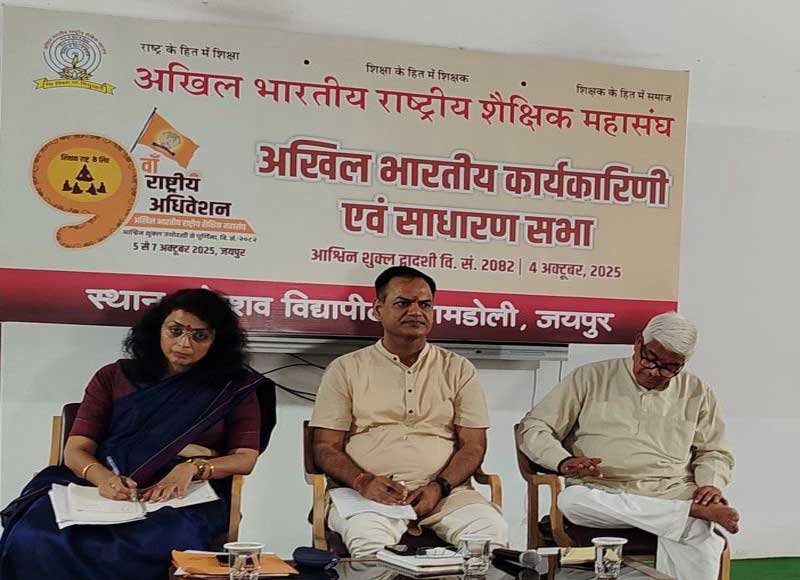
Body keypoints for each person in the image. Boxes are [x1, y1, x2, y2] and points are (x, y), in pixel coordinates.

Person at [0, 288, 276, 580]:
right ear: (157, 329)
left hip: (182, 495)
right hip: (103, 483)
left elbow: (245, 458)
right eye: (175, 331)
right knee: (33, 533)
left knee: (158, 542)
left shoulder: (232, 387)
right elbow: (76, 449)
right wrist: (103, 479)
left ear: (217, 340)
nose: (184, 343)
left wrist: (192, 467)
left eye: (200, 335)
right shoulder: (112, 377)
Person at [518, 311, 738, 580]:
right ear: (638, 343)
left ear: (683, 363)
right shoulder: (591, 377)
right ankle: (686, 513)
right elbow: (535, 427)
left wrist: (710, 484)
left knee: (702, 534)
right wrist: (563, 461)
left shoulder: (696, 391)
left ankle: (685, 512)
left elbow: (714, 451)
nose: (654, 371)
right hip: (603, 492)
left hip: (670, 492)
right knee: (571, 501)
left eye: (670, 367)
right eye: (650, 359)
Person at [310, 266, 508, 557]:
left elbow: (474, 445)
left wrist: (438, 487)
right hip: (367, 496)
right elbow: (324, 447)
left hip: (447, 495)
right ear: (378, 309)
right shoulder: (346, 369)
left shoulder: (458, 369)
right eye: (403, 303)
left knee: (490, 535)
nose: (416, 312)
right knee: (370, 545)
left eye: (424, 304)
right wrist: (363, 482)